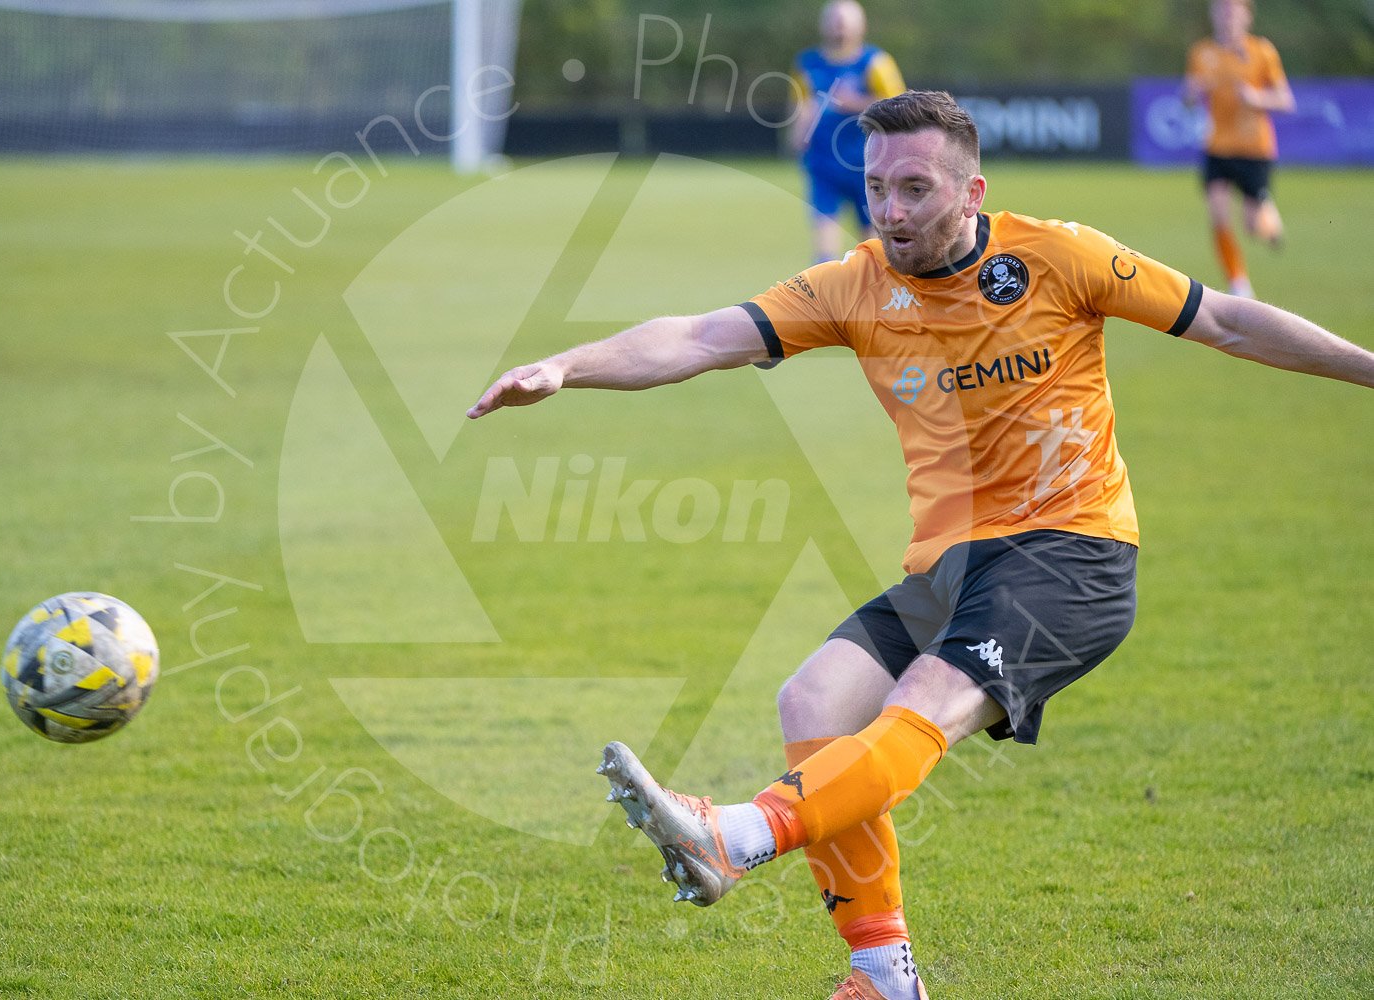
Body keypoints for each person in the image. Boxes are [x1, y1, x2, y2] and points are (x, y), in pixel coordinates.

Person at [467, 91, 1374, 1000]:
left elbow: (1227, 320)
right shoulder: (852, 283)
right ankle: (882, 974)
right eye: (877, 190)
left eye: (915, 189)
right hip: (950, 565)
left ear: (971, 190)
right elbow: (701, 337)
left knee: (921, 706)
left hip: (1074, 551)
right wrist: (567, 367)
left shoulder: (1061, 257)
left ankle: (737, 835)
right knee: (813, 701)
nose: (893, 212)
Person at [1182, 0, 1295, 299]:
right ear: (1213, 15)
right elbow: (1187, 97)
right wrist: (1192, 93)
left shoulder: (1262, 51)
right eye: (1221, 11)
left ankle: (1268, 216)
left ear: (1247, 16)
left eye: (1233, 12)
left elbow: (1285, 99)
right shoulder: (1202, 53)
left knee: (1254, 227)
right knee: (1218, 214)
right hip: (1217, 146)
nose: (1227, 18)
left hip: (1254, 149)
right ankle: (1239, 283)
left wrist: (1257, 98)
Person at [791, 0, 905, 265]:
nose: (838, 28)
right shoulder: (807, 63)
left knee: (873, 243)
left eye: (844, 22)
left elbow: (898, 104)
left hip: (866, 164)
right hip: (822, 163)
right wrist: (798, 136)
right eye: (834, 21)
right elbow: (801, 104)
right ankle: (824, 297)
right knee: (824, 244)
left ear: (860, 26)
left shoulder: (875, 62)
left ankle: (879, 296)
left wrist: (853, 102)